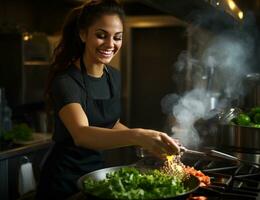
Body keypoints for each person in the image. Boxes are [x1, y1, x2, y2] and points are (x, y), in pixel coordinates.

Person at [35, 0, 180, 199]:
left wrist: (150, 142)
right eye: (101, 35)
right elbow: (82, 134)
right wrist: (137, 135)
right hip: (62, 178)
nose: (110, 44)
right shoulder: (66, 81)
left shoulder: (113, 76)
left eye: (117, 37)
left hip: (95, 174)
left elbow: (111, 123)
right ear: (83, 34)